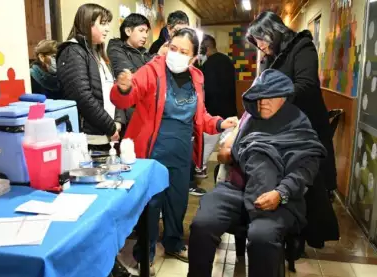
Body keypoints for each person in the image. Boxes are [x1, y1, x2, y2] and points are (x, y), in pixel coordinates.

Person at [111, 28, 238, 275]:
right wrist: (124, 88)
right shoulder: (152, 70)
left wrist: (220, 123)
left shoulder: (197, 77)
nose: (176, 54)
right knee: (151, 204)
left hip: (181, 152)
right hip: (151, 152)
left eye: (184, 52)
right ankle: (144, 254)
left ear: (193, 58)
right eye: (173, 48)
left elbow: (200, 117)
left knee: (178, 202)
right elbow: (125, 99)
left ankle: (173, 243)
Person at [188, 69, 327, 277]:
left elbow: (305, 169)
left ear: (283, 97)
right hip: (237, 189)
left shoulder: (298, 123)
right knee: (202, 224)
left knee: (262, 236)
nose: (263, 102)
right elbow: (228, 153)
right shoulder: (250, 118)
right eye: (259, 96)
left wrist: (281, 193)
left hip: (275, 194)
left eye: (270, 96)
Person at [246, 11, 339, 249]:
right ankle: (285, 228)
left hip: (306, 124)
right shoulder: (271, 56)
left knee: (308, 178)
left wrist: (275, 102)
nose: (262, 47)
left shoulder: (302, 46)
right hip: (281, 128)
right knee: (281, 174)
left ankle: (301, 234)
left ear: (273, 31)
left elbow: (306, 85)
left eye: (262, 41)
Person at [56, 3, 122, 150]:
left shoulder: (98, 53)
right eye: (103, 23)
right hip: (88, 139)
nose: (107, 29)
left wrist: (117, 121)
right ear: (88, 23)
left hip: (106, 135)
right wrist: (110, 126)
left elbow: (112, 90)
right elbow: (82, 97)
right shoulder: (73, 51)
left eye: (107, 24)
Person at [194, 34, 237, 179]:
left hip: (213, 114)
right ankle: (225, 176)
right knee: (227, 146)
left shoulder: (208, 65)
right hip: (230, 111)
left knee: (207, 146)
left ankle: (200, 168)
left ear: (205, 48)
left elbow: (208, 90)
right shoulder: (227, 60)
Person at [108, 13, 153, 137]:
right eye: (141, 30)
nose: (145, 35)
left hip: (146, 113)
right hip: (128, 113)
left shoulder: (145, 53)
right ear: (128, 31)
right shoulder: (116, 49)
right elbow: (131, 76)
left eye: (147, 31)